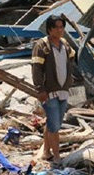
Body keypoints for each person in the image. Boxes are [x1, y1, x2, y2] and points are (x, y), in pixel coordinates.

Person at [31, 15, 75, 164]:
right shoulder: (42, 46)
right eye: (56, 27)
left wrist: (70, 81)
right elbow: (36, 68)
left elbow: (71, 60)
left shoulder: (65, 44)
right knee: (55, 126)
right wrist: (40, 89)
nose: (59, 30)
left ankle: (46, 152)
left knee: (52, 122)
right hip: (49, 92)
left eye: (61, 27)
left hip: (63, 90)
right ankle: (56, 157)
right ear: (49, 29)